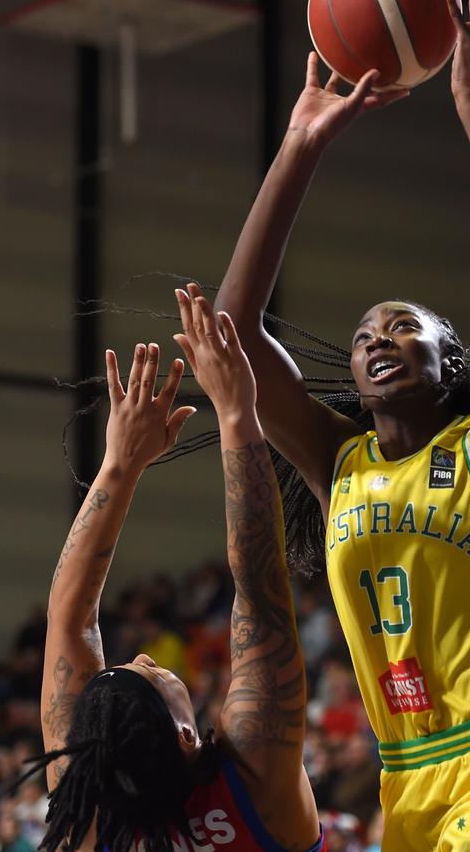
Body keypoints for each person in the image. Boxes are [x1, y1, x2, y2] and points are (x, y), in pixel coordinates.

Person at [176, 0, 470, 848]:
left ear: (452, 362)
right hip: (408, 783)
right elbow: (234, 332)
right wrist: (299, 147)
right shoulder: (341, 467)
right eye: (365, 332)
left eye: (403, 327)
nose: (376, 339)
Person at [31, 329, 325, 852]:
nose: (145, 654)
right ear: (184, 737)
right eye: (153, 672)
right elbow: (260, 589)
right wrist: (236, 412)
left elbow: (67, 622)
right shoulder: (252, 782)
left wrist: (120, 466)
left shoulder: (90, 824)